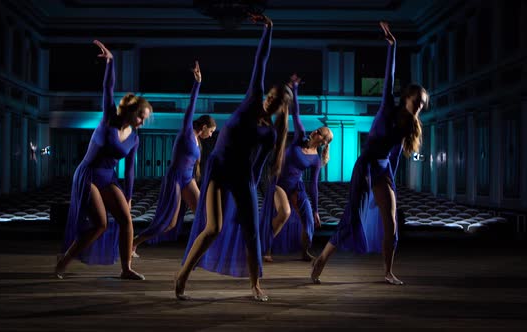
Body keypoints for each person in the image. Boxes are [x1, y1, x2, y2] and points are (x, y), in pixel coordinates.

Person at [176, 13, 291, 302]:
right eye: (270, 96)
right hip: (219, 168)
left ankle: (255, 285)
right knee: (213, 227)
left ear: (280, 107)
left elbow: (258, 166)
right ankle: (182, 276)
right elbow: (260, 62)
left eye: (275, 101)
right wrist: (268, 29)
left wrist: (249, 194)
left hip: (244, 178)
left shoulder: (271, 135)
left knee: (252, 233)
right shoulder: (253, 97)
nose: (269, 100)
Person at [310, 22, 428, 286]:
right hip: (365, 166)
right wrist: (393, 47)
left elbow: (395, 156)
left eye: (422, 105)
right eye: (416, 102)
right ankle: (322, 258)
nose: (419, 107)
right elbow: (388, 79)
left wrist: (390, 181)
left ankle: (388, 270)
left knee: (392, 222)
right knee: (351, 217)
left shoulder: (409, 125)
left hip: (383, 169)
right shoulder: (388, 107)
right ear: (406, 98)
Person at [55, 40, 152, 280]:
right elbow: (107, 88)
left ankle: (126, 268)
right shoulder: (109, 118)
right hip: (88, 174)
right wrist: (111, 62)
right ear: (131, 111)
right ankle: (64, 261)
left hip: (109, 178)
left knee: (127, 220)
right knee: (100, 224)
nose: (142, 121)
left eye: (145, 118)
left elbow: (130, 171)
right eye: (141, 116)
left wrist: (128, 196)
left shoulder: (135, 138)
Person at [132, 62, 216, 256]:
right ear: (203, 126)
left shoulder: (197, 140)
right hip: (176, 178)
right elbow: (190, 108)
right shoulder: (187, 131)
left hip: (188, 179)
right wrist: (197, 84)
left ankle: (200, 249)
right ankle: (135, 242)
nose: (211, 135)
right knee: (168, 223)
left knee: (203, 214)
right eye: (210, 131)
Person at [260, 74, 333, 262]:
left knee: (308, 220)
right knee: (284, 212)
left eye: (320, 133)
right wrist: (295, 89)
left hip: (295, 186)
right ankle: (264, 248)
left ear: (323, 141)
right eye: (317, 129)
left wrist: (316, 210)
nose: (315, 131)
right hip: (277, 182)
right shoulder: (301, 136)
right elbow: (296, 114)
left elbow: (314, 185)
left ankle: (304, 251)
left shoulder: (316, 160)